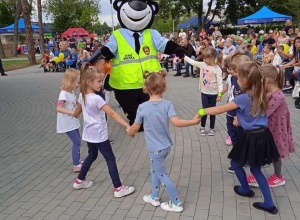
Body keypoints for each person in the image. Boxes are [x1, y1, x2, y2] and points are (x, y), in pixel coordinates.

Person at [197, 62, 280, 214]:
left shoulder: (243, 98)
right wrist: (239, 119)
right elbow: (251, 114)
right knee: (256, 169)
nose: (237, 81)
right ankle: (266, 201)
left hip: (251, 138)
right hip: (262, 135)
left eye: (238, 79)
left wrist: (202, 111)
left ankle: (247, 191)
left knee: (236, 164)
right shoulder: (262, 93)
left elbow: (220, 109)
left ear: (245, 81)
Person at [127, 70, 201, 212]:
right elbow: (177, 122)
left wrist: (129, 132)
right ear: (164, 88)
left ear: (146, 89)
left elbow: (135, 128)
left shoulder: (142, 107)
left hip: (154, 149)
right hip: (166, 146)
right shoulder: (167, 104)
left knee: (162, 174)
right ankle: (154, 196)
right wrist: (192, 122)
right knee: (154, 169)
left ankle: (176, 203)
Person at [72, 63, 135, 197]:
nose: (101, 84)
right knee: (110, 159)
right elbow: (112, 113)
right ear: (89, 82)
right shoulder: (96, 98)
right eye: (99, 81)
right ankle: (118, 188)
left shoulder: (82, 96)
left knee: (92, 155)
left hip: (89, 134)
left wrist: (75, 113)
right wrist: (126, 124)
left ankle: (79, 180)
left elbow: (78, 111)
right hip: (99, 135)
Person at [246, 64, 295, 188]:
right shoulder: (269, 92)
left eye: (259, 80)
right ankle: (259, 175)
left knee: (276, 153)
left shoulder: (278, 96)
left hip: (277, 129)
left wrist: (247, 119)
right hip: (269, 128)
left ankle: (278, 177)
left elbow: (264, 113)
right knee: (267, 151)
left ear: (266, 80)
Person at [184, 46, 223, 136]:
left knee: (212, 111)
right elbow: (193, 62)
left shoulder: (217, 69)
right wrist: (184, 56)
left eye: (206, 58)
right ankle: (202, 127)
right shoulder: (203, 65)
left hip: (213, 93)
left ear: (212, 58)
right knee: (204, 110)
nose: (204, 60)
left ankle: (212, 128)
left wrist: (220, 94)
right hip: (204, 93)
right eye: (203, 58)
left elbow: (220, 82)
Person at [56, 69, 82, 172]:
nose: (78, 85)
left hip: (72, 122)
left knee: (78, 140)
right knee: (76, 141)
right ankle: (76, 165)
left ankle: (78, 159)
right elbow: (58, 108)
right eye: (78, 82)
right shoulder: (63, 94)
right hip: (67, 123)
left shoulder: (71, 92)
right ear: (70, 81)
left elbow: (76, 102)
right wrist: (73, 113)